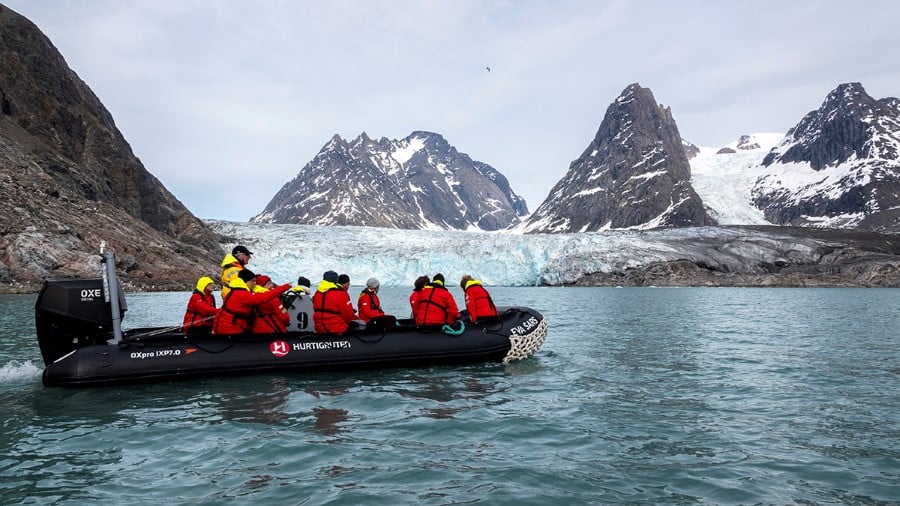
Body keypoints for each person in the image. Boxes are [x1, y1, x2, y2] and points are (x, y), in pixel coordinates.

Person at [213, 269, 291, 335]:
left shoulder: (233, 291)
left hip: (225, 326)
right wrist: (283, 288)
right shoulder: (243, 294)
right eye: (252, 281)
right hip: (231, 328)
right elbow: (283, 315)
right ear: (246, 281)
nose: (254, 283)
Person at [313, 270, 362, 335]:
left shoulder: (317, 293)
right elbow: (349, 316)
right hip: (337, 329)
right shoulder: (341, 293)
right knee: (361, 325)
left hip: (320, 328)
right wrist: (359, 319)